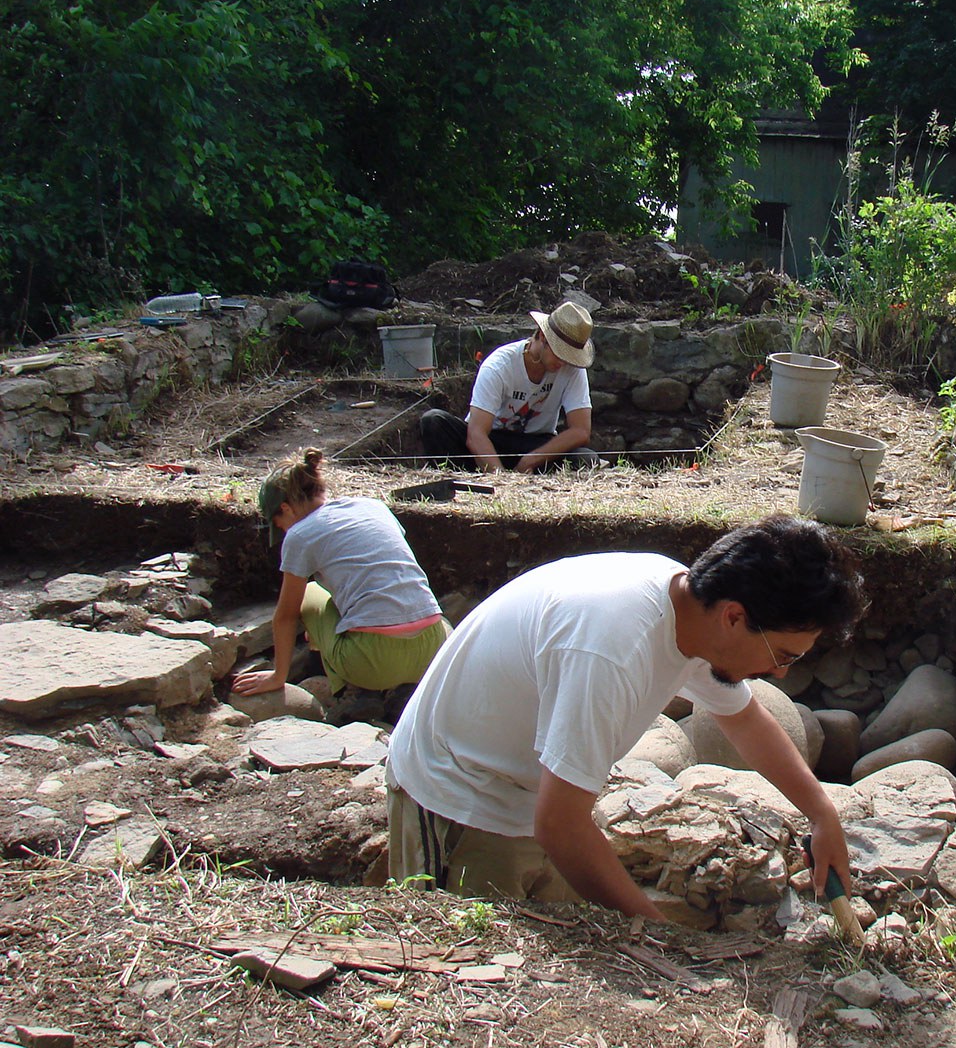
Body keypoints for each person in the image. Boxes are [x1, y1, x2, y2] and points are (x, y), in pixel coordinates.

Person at [385, 515, 868, 920]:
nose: (779, 673)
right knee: (475, 966)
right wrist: (659, 935)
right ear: (735, 618)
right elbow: (560, 825)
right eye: (781, 654)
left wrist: (822, 814)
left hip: (529, 792)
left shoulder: (690, 606)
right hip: (458, 790)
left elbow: (744, 720)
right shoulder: (611, 650)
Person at [232, 449, 451, 698]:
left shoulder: (300, 534)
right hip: (432, 648)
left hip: (374, 664)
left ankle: (343, 693)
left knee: (309, 593)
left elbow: (285, 615)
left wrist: (278, 676)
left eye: (279, 524)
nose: (282, 532)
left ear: (286, 508)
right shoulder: (374, 506)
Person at [419, 300, 600, 473]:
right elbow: (476, 434)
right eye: (560, 355)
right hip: (492, 440)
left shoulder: (572, 370)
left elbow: (581, 431)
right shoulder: (499, 365)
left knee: (585, 459)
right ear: (543, 337)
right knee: (434, 422)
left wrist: (531, 460)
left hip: (536, 444)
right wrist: (501, 478)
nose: (563, 363)